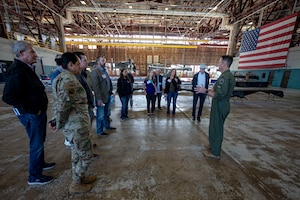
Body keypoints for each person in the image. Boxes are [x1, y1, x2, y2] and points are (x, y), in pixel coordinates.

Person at [2, 41, 55, 185]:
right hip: (32, 114)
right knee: (36, 143)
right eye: (32, 52)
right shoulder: (17, 70)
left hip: (37, 113)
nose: (35, 55)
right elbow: (9, 97)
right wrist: (32, 109)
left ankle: (40, 164)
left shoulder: (26, 68)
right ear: (21, 54)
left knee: (40, 140)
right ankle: (35, 176)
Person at [49, 52, 96, 194]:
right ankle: (76, 184)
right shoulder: (69, 80)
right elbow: (63, 105)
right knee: (86, 155)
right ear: (70, 65)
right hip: (76, 125)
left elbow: (57, 104)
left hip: (74, 124)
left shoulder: (61, 78)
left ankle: (79, 177)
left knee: (76, 154)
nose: (80, 66)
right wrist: (58, 123)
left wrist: (56, 120)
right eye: (77, 64)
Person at [194, 55, 236, 159]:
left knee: (217, 128)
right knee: (213, 127)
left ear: (224, 64)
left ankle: (215, 153)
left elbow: (220, 94)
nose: (218, 64)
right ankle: (213, 146)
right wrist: (210, 90)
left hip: (220, 105)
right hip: (218, 104)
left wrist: (205, 91)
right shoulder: (224, 76)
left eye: (219, 62)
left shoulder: (225, 77)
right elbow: (215, 90)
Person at [49, 54, 71, 147]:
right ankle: (68, 139)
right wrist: (56, 120)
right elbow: (61, 99)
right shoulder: (59, 76)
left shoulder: (65, 75)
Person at [90, 56, 116, 136]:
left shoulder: (104, 71)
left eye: (104, 60)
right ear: (98, 62)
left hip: (107, 95)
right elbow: (96, 86)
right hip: (101, 97)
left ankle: (107, 126)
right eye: (102, 61)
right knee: (100, 115)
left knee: (107, 113)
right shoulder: (95, 72)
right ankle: (100, 131)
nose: (104, 62)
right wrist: (98, 99)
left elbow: (107, 82)